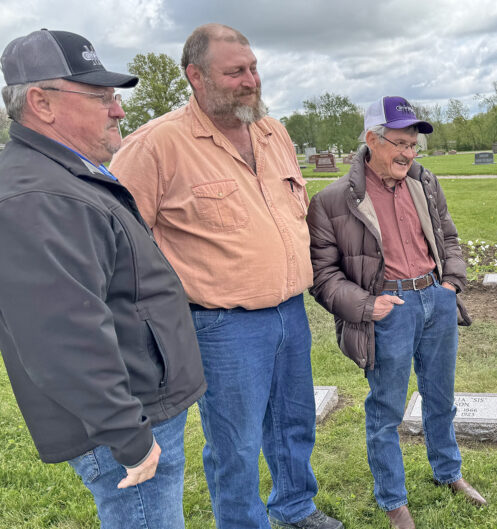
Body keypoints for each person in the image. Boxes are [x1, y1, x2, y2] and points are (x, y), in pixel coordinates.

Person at [109, 23, 342, 529]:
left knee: (293, 425)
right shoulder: (156, 146)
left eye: (253, 68)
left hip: (289, 313)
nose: (250, 81)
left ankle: (295, 507)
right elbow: (119, 243)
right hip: (220, 326)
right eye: (234, 72)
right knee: (234, 443)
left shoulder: (272, 131)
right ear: (195, 76)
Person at [0, 29, 206, 529]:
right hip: (123, 426)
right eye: (100, 96)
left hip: (137, 407)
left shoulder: (65, 173)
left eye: (114, 96)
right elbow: (61, 337)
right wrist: (129, 439)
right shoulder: (40, 196)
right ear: (41, 103)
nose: (117, 109)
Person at [307, 96, 486, 529]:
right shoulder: (332, 201)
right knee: (386, 410)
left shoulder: (424, 183)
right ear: (372, 140)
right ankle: (393, 500)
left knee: (441, 398)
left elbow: (449, 236)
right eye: (400, 143)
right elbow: (322, 274)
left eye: (414, 145)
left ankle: (449, 472)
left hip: (435, 300)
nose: (408, 153)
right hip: (388, 311)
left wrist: (451, 284)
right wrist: (370, 306)